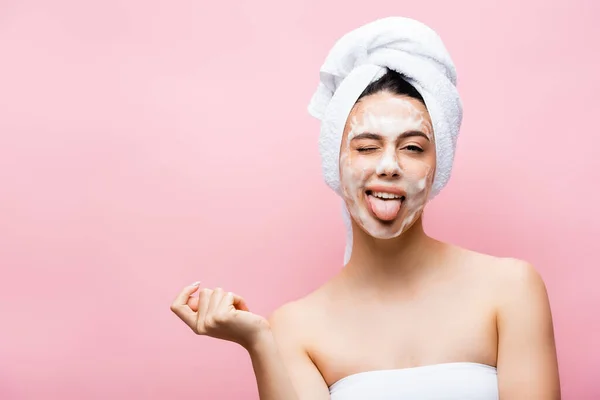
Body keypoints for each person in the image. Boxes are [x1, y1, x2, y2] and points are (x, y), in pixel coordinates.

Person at [170, 17, 560, 399]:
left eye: (412, 147)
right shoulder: (294, 327)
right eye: (367, 147)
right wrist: (257, 343)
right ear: (334, 163)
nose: (388, 165)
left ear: (438, 165)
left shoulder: (510, 290)